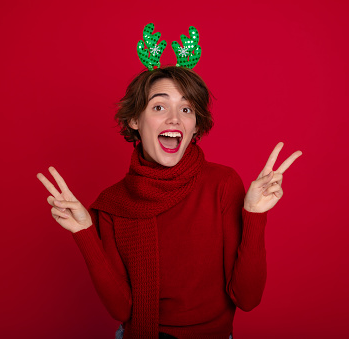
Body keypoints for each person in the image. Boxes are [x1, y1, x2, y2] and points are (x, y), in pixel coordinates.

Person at [37, 25, 302, 339]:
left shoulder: (222, 184)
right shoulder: (112, 204)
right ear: (135, 120)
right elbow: (121, 311)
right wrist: (85, 232)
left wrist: (255, 215)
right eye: (159, 107)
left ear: (195, 125)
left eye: (186, 109)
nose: (174, 119)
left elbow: (247, 299)